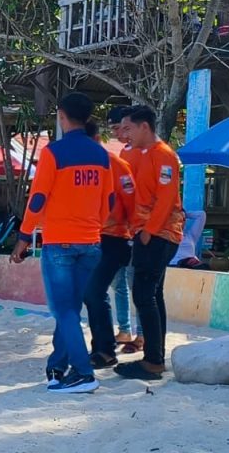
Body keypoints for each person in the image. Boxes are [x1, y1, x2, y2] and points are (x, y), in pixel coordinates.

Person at [11, 93, 114, 394]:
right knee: (70, 308)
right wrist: (92, 226)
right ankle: (57, 366)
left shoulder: (53, 153)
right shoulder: (101, 154)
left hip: (59, 242)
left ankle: (83, 372)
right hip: (91, 242)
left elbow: (38, 199)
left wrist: (24, 237)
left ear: (61, 116)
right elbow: (108, 201)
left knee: (63, 310)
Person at [114, 105, 184, 381]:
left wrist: (148, 232)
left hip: (159, 234)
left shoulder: (164, 155)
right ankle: (155, 356)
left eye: (128, 128)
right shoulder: (135, 153)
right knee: (153, 294)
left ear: (144, 126)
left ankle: (153, 360)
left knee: (143, 294)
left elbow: (166, 198)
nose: (124, 134)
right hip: (145, 233)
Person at [82, 120, 137, 370]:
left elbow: (132, 204)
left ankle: (105, 350)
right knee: (92, 293)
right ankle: (102, 347)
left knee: (95, 292)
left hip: (115, 238)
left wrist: (136, 235)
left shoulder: (117, 165)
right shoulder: (79, 165)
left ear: (95, 140)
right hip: (89, 238)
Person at [108, 106, 142, 348]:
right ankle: (124, 330)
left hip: (137, 228)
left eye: (119, 128)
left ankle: (142, 334)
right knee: (117, 283)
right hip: (118, 229)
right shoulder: (123, 154)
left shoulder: (148, 152)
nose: (117, 134)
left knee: (135, 284)